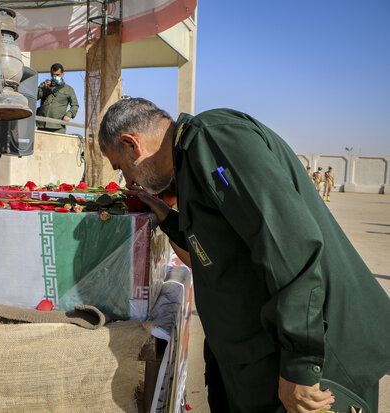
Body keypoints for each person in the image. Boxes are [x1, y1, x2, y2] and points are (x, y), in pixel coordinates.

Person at [98, 98, 390, 412]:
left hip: (316, 357)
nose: (128, 181)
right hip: (259, 356)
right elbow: (216, 250)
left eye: (121, 166)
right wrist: (167, 217)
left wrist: (301, 363)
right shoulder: (191, 163)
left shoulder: (213, 138)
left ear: (132, 145)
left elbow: (290, 246)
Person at [36, 63, 79, 134]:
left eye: (57, 75)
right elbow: (35, 97)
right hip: (42, 125)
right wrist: (44, 89)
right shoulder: (44, 85)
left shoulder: (68, 89)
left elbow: (75, 105)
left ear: (62, 74)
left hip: (58, 127)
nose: (55, 77)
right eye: (53, 75)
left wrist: (69, 114)